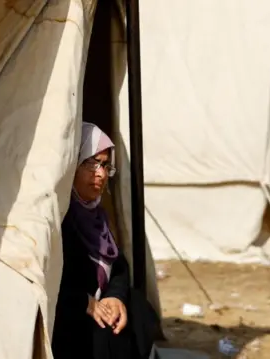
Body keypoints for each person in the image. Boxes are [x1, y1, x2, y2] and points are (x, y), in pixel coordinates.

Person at [52, 122, 153, 359]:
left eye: (105, 165)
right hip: (67, 319)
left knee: (137, 308)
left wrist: (114, 297)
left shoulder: (98, 218)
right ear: (72, 165)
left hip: (97, 310)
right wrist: (85, 303)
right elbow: (48, 277)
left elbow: (118, 265)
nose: (100, 173)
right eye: (91, 163)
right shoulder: (57, 218)